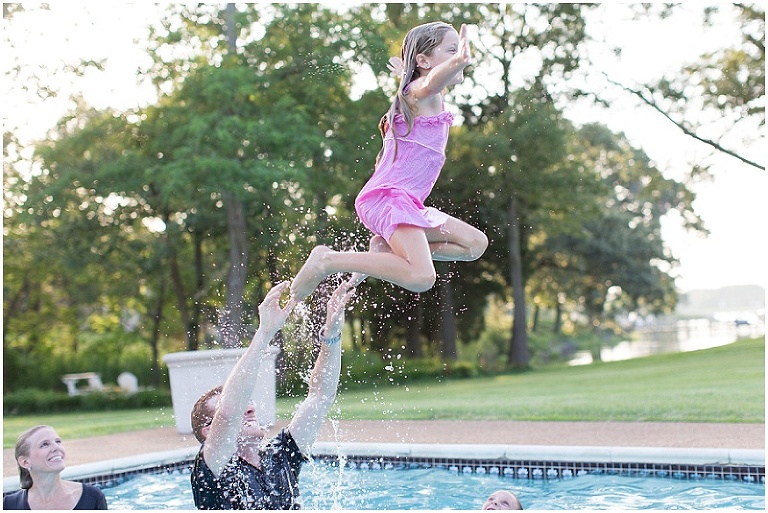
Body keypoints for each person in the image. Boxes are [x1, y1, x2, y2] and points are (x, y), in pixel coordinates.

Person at [290, 21, 488, 301]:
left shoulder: (424, 98)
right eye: (451, 49)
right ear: (423, 61)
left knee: (475, 244)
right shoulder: (418, 93)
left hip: (405, 203)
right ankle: (328, 260)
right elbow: (430, 82)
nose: (459, 57)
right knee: (421, 277)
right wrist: (459, 60)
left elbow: (429, 80)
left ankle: (387, 250)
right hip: (388, 200)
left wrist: (441, 63)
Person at [190, 279, 355, 509]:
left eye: (248, 403)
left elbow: (320, 396)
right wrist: (265, 332)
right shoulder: (212, 471)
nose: (250, 408)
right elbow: (228, 412)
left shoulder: (280, 454)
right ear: (209, 432)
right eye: (241, 408)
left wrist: (332, 334)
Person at [3, 425, 108, 510]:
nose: (56, 448)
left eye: (57, 441)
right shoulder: (9, 505)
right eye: (44, 444)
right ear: (25, 462)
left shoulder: (92, 497)